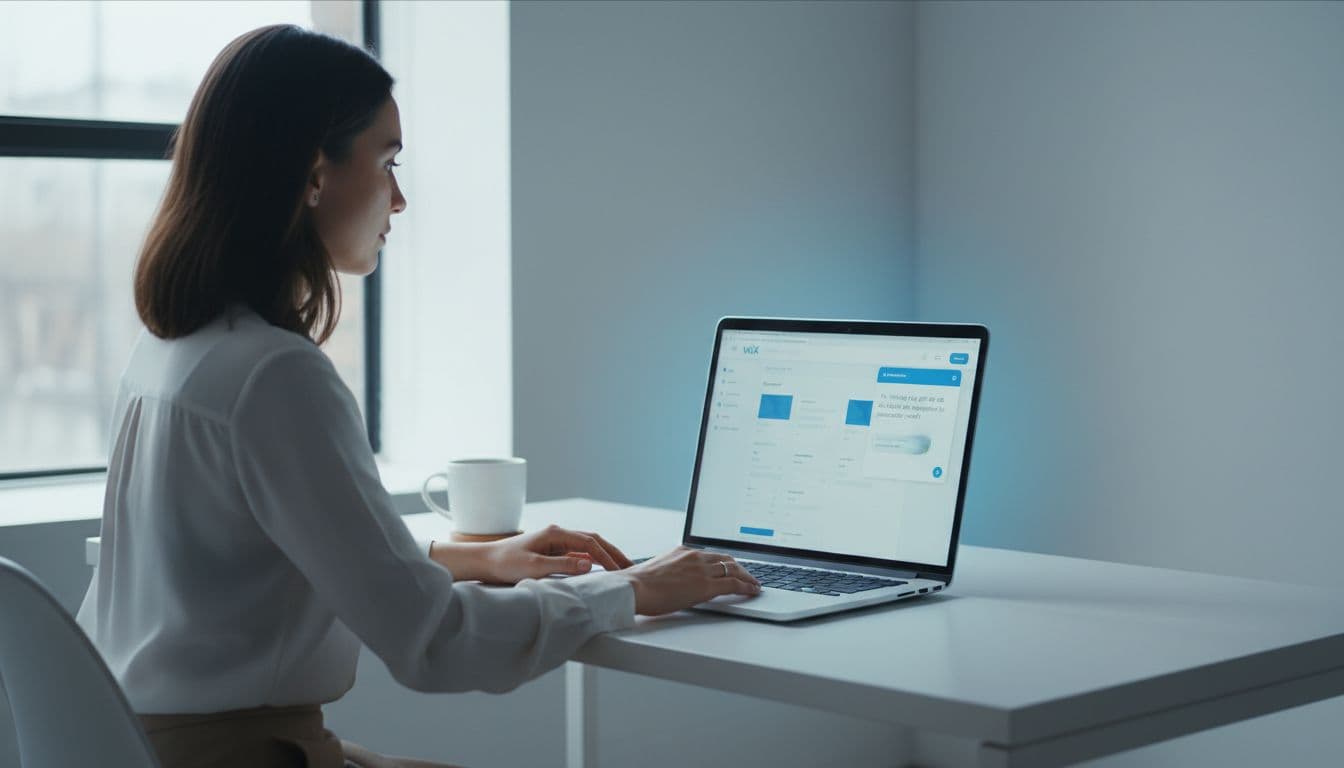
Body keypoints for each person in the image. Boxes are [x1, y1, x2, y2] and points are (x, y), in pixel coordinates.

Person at [76, 25, 760, 768]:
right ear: (313, 174)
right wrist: (633, 589)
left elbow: (274, 552)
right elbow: (436, 644)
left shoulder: (177, 347)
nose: (398, 199)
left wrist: (474, 557)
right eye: (387, 162)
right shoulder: (276, 376)